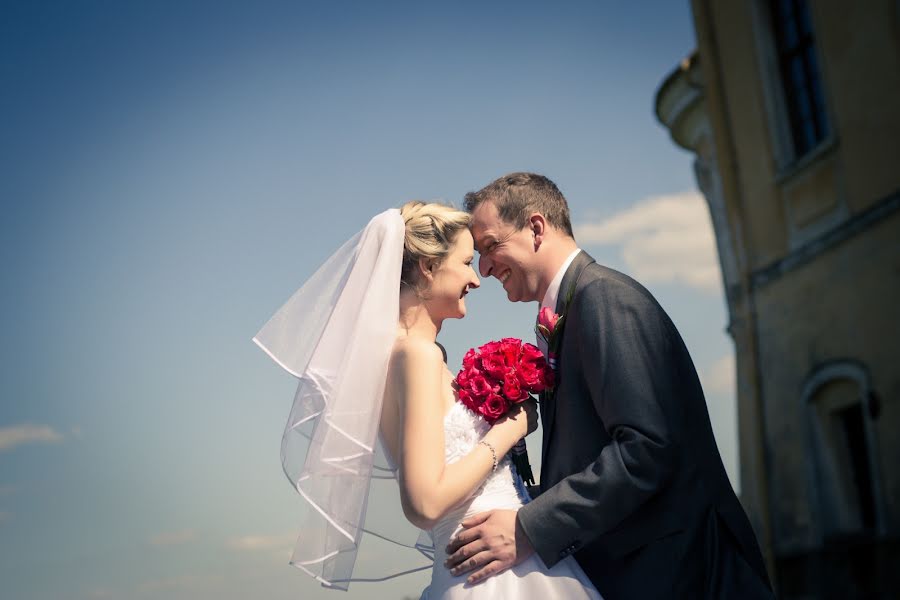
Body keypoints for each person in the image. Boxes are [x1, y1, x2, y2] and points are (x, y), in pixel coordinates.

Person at [445, 173, 775, 599]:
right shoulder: (574, 307)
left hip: (678, 574)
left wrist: (530, 528)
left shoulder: (603, 298)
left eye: (490, 246)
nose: (484, 268)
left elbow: (647, 448)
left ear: (536, 228)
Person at [254, 201, 602, 598]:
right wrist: (510, 430)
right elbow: (424, 503)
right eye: (467, 262)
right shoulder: (415, 355)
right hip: (487, 573)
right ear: (429, 268)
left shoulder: (407, 356)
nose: (476, 278)